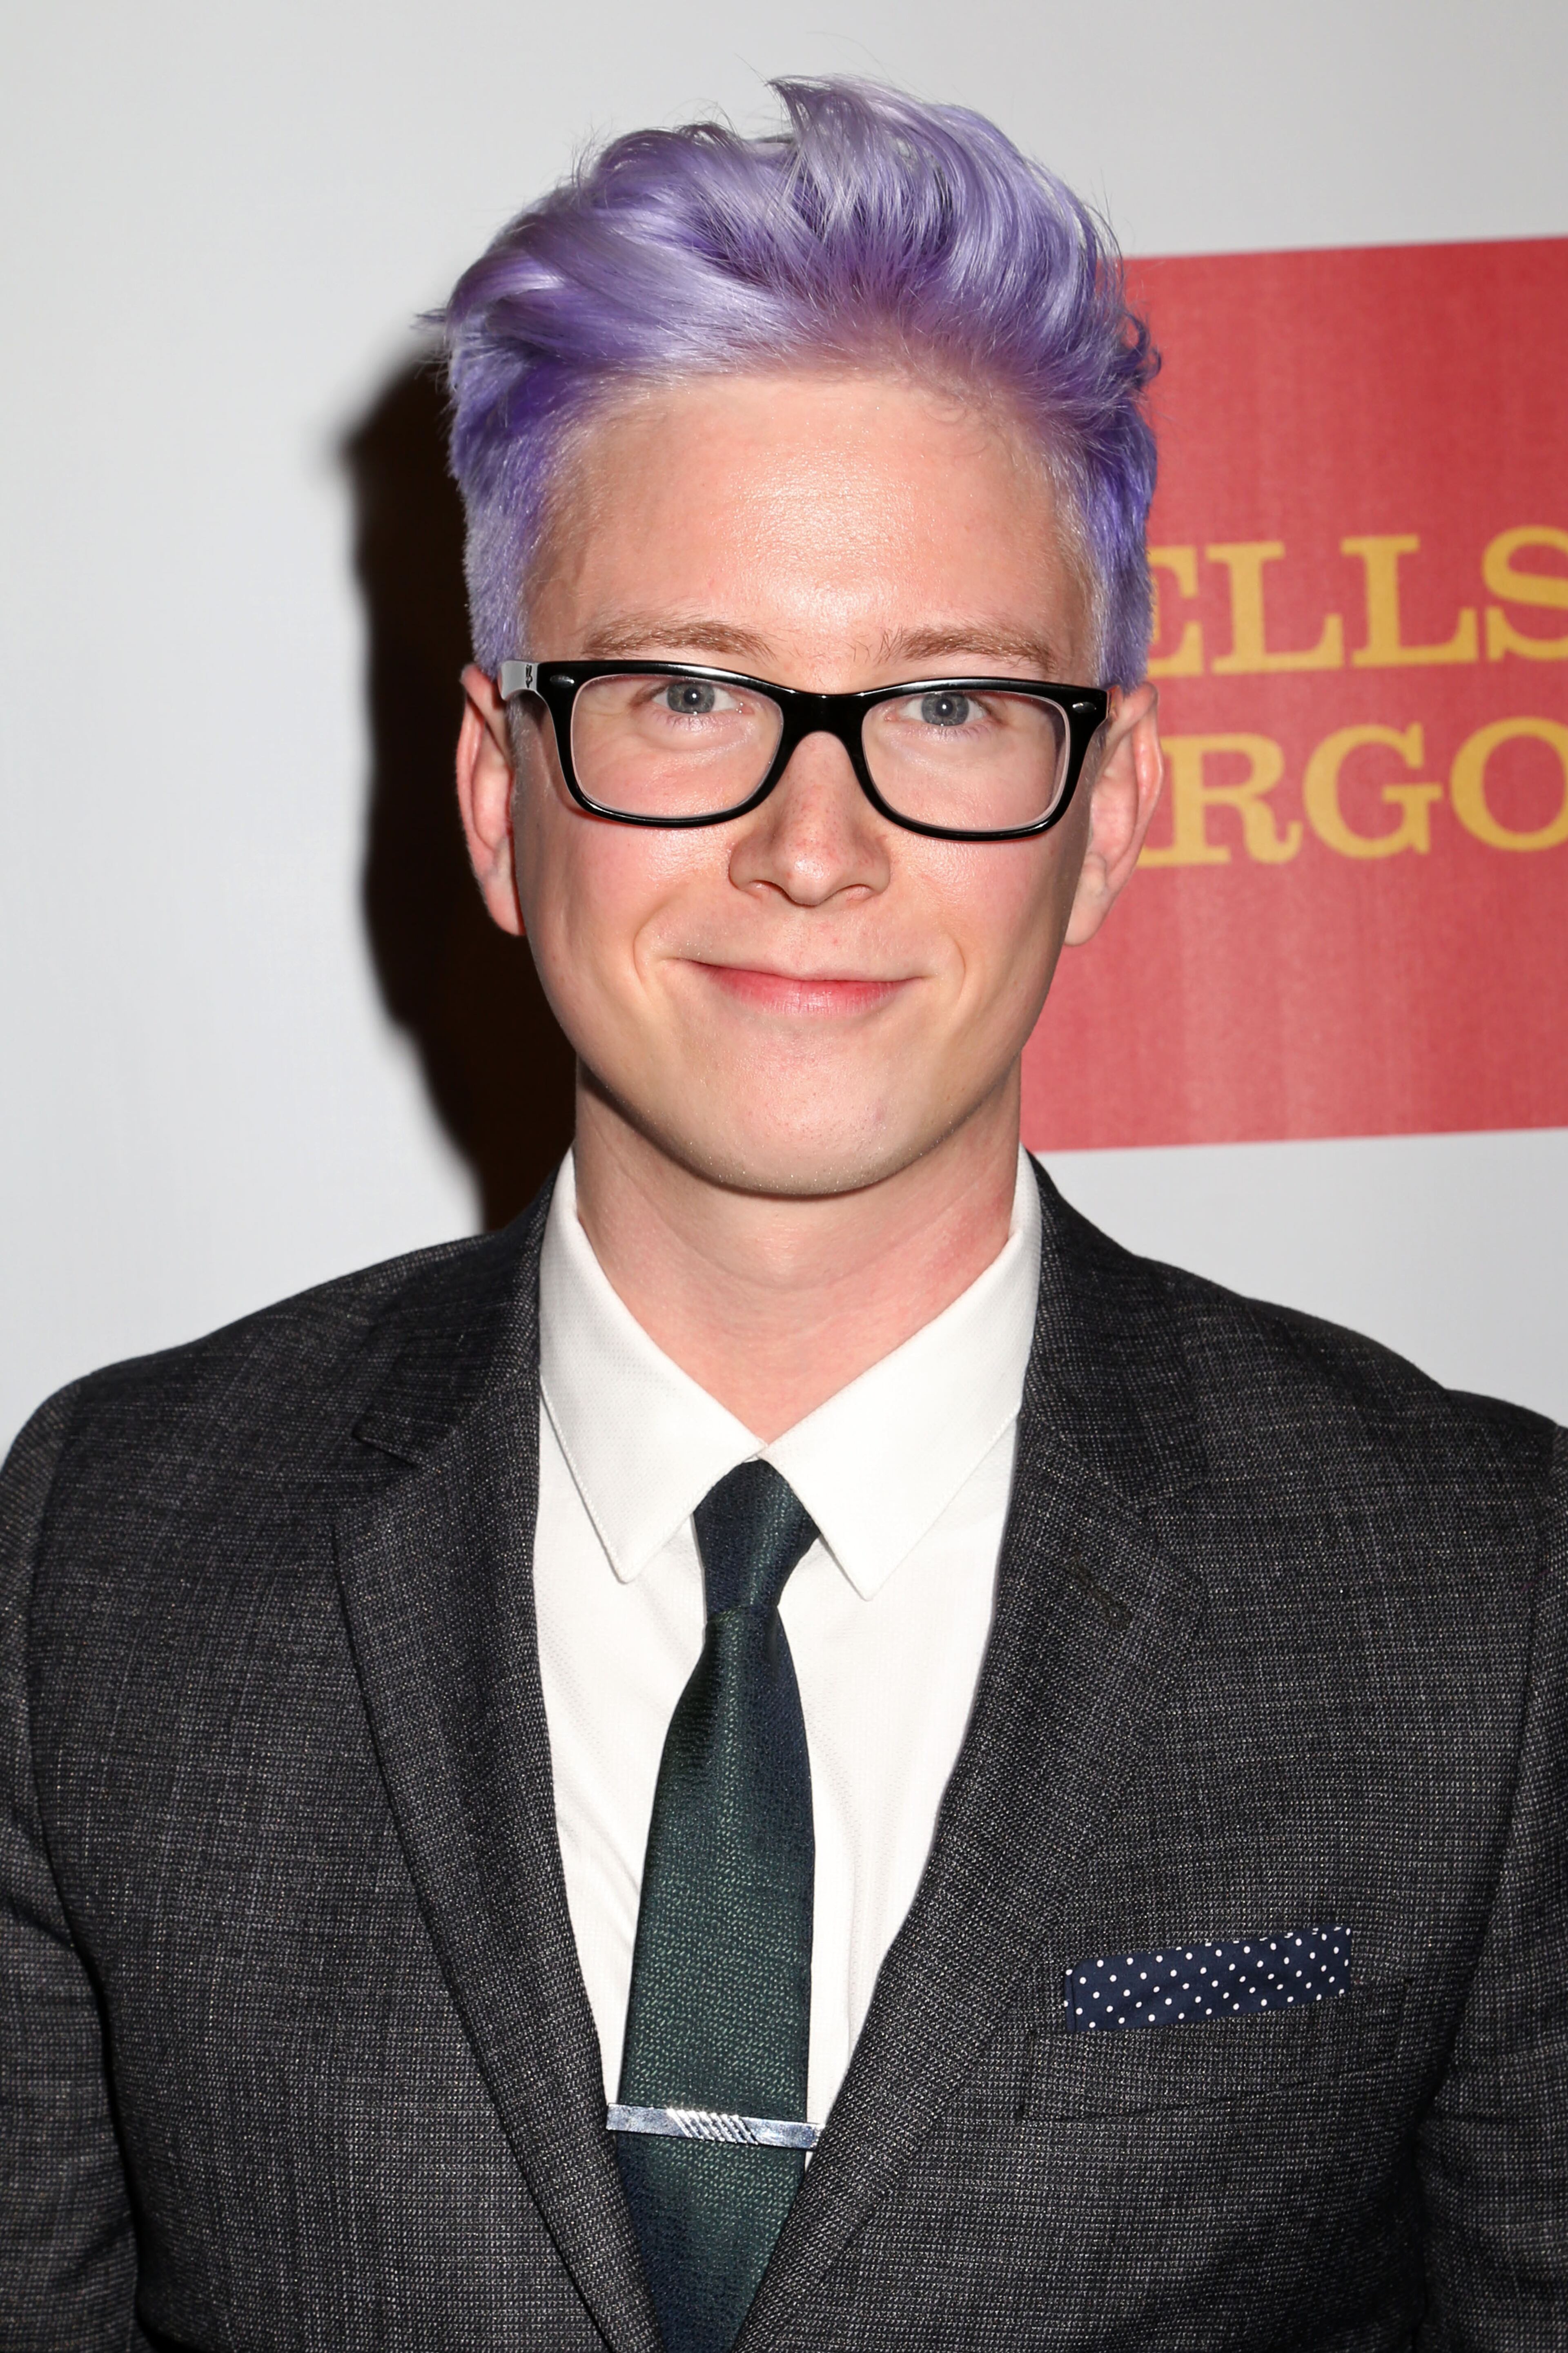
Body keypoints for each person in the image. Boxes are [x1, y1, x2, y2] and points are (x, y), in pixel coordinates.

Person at [1, 76, 1563, 2353]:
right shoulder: (104, 1569)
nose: (810, 844)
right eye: (686, 688)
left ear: (1111, 805)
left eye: (945, 701)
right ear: (499, 796)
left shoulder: (1481, 1610)